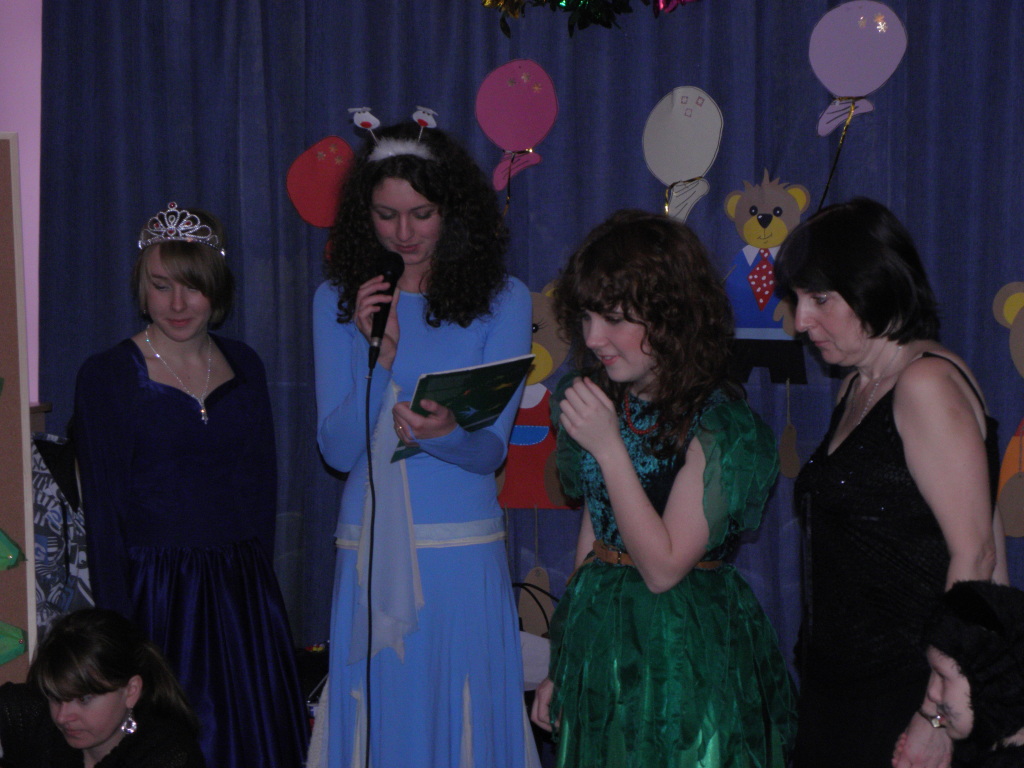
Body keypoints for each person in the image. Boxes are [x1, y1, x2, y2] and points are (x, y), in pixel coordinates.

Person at [530, 210, 798, 767]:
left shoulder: (722, 427)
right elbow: (596, 533)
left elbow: (663, 568)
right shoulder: (602, 400)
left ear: (671, 317)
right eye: (586, 317)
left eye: (614, 319)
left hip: (682, 652)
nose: (593, 339)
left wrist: (610, 448)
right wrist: (564, 663)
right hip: (603, 645)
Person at [313, 122, 536, 767]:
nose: (403, 233)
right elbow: (337, 451)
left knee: (463, 714)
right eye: (386, 215)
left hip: (461, 547)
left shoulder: (503, 300)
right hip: (369, 544)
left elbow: (490, 453)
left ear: (453, 212)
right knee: (383, 713)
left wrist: (447, 434)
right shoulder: (338, 301)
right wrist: (377, 357)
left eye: (422, 214)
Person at [774, 197, 1008, 768]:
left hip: (906, 698)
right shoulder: (860, 384)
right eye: (798, 300)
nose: (801, 321)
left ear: (873, 287)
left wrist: (937, 714)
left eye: (820, 299)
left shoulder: (925, 384)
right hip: (844, 695)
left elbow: (978, 556)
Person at [72, 204, 308, 768]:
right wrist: (122, 639)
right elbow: (103, 517)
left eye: (193, 287)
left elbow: (261, 494)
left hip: (241, 601)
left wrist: (260, 606)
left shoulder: (245, 366)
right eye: (161, 286)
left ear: (216, 288)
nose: (177, 304)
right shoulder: (108, 376)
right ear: (141, 287)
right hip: (157, 599)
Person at [0, 608, 205, 768]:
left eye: (84, 699)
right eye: (55, 697)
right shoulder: (35, 717)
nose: (62, 717)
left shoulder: (169, 757)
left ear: (131, 691)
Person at [916, 580, 1024, 768]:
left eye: (943, 677)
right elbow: (943, 720)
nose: (932, 693)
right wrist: (931, 721)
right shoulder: (982, 735)